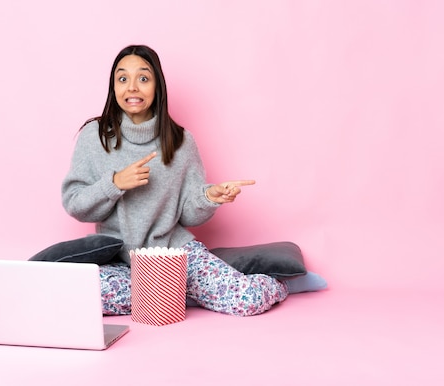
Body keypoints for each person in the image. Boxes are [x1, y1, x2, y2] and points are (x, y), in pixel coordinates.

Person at [61, 44, 290, 316]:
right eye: (122, 79)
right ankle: (181, 293)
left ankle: (281, 285)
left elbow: (188, 213)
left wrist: (209, 197)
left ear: (158, 86)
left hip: (174, 254)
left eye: (143, 78)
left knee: (247, 300)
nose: (132, 87)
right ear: (114, 87)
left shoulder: (181, 141)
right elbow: (75, 203)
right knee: (75, 294)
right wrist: (115, 184)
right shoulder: (95, 136)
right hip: (120, 261)